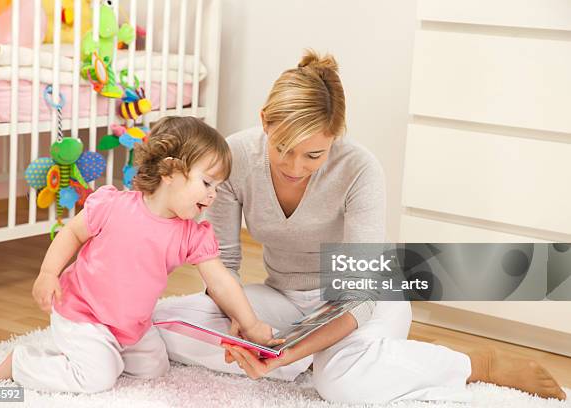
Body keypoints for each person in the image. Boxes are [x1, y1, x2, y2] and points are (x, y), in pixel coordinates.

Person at [152, 51, 567, 404]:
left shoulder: (360, 168)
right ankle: (331, 359)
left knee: (341, 385)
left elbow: (360, 295)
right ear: (265, 121)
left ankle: (470, 363)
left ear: (336, 137)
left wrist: (288, 348)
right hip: (282, 295)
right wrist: (241, 325)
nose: (295, 168)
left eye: (313, 155)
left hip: (364, 300)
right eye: (283, 149)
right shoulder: (235, 156)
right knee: (160, 321)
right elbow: (224, 263)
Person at [0, 116, 280, 393]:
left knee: (154, 370)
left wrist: (250, 324)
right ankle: (21, 362)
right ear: (170, 172)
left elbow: (220, 281)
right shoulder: (114, 205)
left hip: (131, 323)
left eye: (218, 186)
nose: (213, 194)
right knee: (97, 378)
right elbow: (72, 232)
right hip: (84, 312)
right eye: (206, 183)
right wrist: (48, 274)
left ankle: (94, 352)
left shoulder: (191, 233)